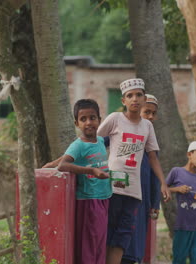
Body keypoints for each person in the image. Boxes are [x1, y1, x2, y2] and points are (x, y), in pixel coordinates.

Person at [97, 78, 171, 264]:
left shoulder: (147, 128)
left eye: (139, 95)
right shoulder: (115, 121)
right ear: (123, 101)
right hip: (113, 188)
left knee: (126, 234)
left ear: (144, 98)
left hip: (136, 192)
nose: (135, 99)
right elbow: (94, 142)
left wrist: (162, 185)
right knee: (110, 229)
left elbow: (153, 158)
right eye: (130, 96)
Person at [47, 99, 111, 264]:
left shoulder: (101, 141)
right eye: (83, 119)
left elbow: (61, 160)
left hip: (103, 198)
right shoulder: (79, 145)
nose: (89, 122)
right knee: (89, 245)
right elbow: (64, 165)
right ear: (76, 123)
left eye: (92, 118)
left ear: (99, 119)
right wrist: (91, 171)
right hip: (89, 201)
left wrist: (51, 163)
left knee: (99, 243)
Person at [120, 94, 161, 264]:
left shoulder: (150, 139)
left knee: (136, 241)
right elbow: (97, 143)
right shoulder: (121, 130)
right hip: (122, 193)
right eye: (147, 112)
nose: (150, 116)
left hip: (143, 198)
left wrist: (155, 203)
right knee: (122, 237)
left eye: (153, 113)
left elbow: (154, 175)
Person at [166, 141, 196, 264]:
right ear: (189, 154)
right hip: (183, 223)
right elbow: (163, 188)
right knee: (179, 258)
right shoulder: (177, 172)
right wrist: (177, 189)